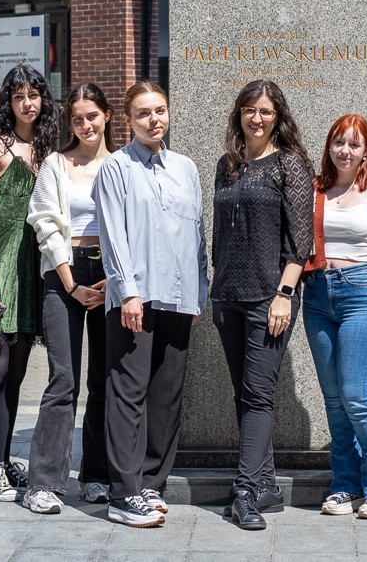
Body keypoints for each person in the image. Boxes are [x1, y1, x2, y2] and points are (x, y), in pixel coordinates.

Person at [95, 81, 208, 529]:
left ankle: (149, 484)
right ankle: (123, 493)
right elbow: (112, 235)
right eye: (143, 113)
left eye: (159, 111)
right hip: (134, 298)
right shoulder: (116, 168)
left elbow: (196, 234)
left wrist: (199, 290)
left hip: (179, 299)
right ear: (128, 120)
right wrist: (127, 291)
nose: (153, 119)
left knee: (166, 395)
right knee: (128, 393)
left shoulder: (185, 168)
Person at [211, 79, 315, 530]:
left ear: (278, 117)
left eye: (266, 112)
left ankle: (245, 492)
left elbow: (302, 240)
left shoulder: (289, 166)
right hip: (226, 297)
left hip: (268, 298)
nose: (257, 118)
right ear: (240, 114)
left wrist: (284, 295)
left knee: (258, 393)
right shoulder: (227, 166)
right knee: (246, 394)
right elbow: (218, 232)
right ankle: (267, 484)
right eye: (250, 110)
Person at [302, 114, 367, 520]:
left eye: (354, 144)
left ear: (366, 152)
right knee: (333, 400)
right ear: (328, 146)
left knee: (357, 397)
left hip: (362, 292)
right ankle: (346, 484)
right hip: (318, 296)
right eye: (338, 142)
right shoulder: (316, 191)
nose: (344, 150)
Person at [22, 82, 115, 514]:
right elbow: (44, 223)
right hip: (64, 273)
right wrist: (71, 281)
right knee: (64, 379)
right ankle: (43, 482)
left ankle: (96, 475)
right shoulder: (55, 164)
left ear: (107, 116)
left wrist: (112, 281)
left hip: (110, 275)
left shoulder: (121, 165)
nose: (85, 125)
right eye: (77, 119)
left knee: (104, 378)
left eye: (92, 116)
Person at [0, 63, 58, 502]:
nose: (27, 103)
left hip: (33, 269)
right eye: (19, 95)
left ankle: (4, 460)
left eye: (34, 95)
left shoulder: (46, 148)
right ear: (9, 101)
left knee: (19, 371)